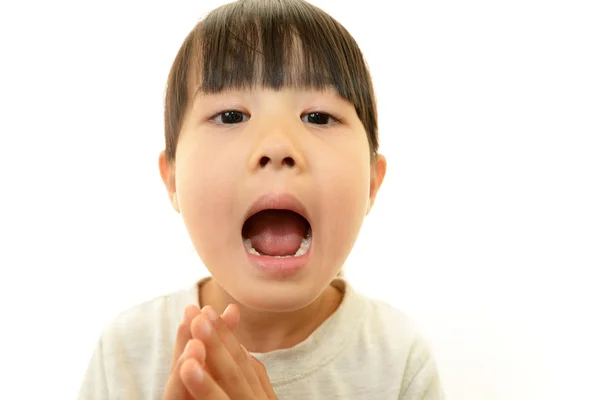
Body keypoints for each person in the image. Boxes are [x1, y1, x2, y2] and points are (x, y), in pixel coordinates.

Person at [78, 0, 445, 398]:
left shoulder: (398, 360)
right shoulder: (126, 355)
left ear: (372, 182)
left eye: (318, 117)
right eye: (232, 116)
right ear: (174, 180)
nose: (276, 145)